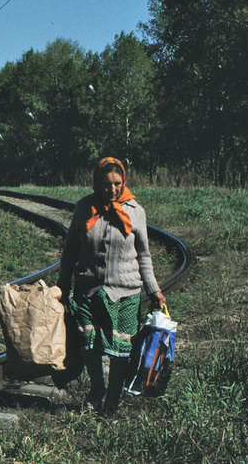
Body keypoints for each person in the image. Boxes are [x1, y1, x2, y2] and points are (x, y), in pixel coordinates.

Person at [58, 157, 166, 419]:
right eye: (107, 184)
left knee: (120, 351)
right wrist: (62, 284)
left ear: (124, 182)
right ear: (97, 182)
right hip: (87, 287)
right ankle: (97, 388)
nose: (113, 189)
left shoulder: (135, 211)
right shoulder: (84, 207)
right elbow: (71, 248)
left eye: (117, 184)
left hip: (125, 291)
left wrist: (153, 289)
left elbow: (144, 255)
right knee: (89, 344)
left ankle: (112, 402)